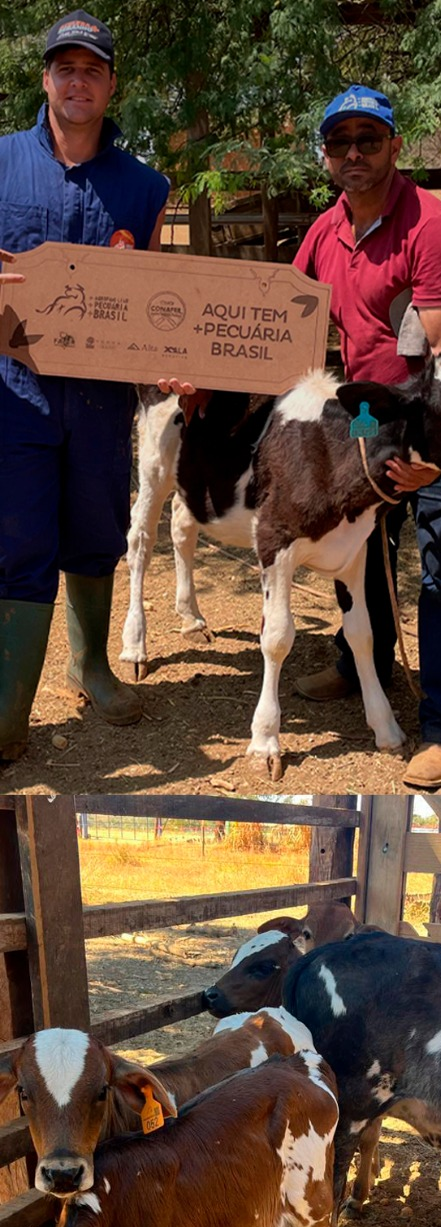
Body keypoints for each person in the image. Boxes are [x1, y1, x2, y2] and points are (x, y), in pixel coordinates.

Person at [290, 85, 441, 792]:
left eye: (368, 140)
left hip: (439, 419)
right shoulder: (326, 232)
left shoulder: (431, 230)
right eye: (339, 142)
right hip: (365, 417)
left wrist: (431, 458)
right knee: (362, 540)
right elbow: (281, 321)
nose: (353, 153)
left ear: (394, 146)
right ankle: (361, 667)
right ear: (325, 154)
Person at [0, 10, 170, 765]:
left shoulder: (143, 186)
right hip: (16, 390)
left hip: (102, 399)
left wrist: (173, 358)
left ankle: (90, 664)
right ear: (45, 79)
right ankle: (9, 708)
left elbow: (163, 299)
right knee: (20, 541)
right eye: (64, 68)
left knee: (96, 530)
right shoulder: (1, 162)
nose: (77, 81)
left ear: (110, 84)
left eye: (91, 70)